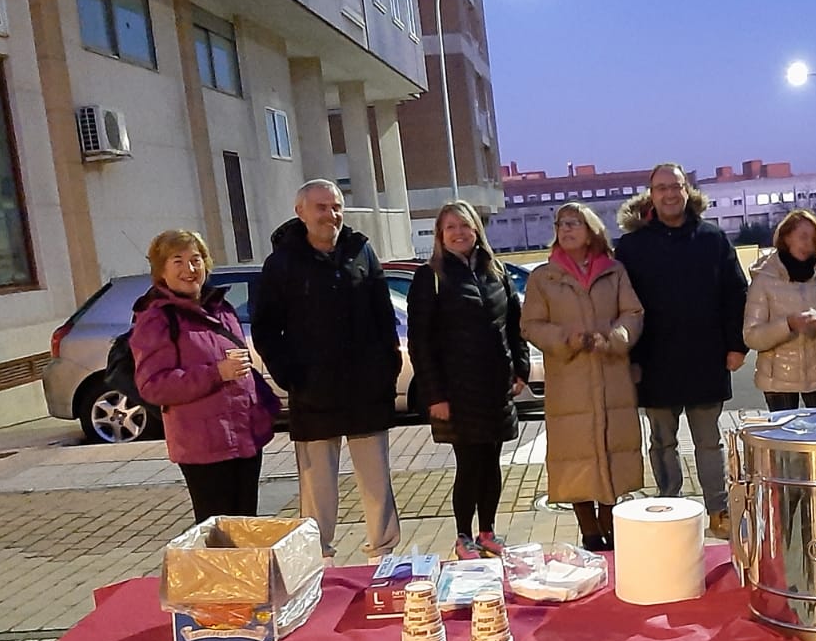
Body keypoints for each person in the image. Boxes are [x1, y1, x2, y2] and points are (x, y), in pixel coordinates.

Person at [252, 179, 401, 562]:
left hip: (365, 389)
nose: (330, 215)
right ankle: (318, 561)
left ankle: (382, 556)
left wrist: (388, 363)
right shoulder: (282, 263)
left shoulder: (360, 251)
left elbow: (384, 314)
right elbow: (266, 327)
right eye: (321, 207)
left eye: (336, 207)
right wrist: (289, 375)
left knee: (377, 483)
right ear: (300, 212)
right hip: (312, 392)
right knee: (318, 489)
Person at [616, 163, 748, 539]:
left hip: (707, 357)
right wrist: (631, 359)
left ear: (687, 190)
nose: (670, 194)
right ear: (650, 195)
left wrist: (736, 346)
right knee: (662, 442)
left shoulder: (712, 238)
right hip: (654, 362)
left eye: (676, 187)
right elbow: (621, 305)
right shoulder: (631, 246)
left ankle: (718, 510)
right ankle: (668, 506)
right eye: (661, 188)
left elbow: (735, 294)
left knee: (709, 442)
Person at [408, 201, 531, 559]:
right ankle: (463, 537)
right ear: (440, 235)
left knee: (492, 464)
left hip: (495, 389)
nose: (459, 233)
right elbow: (421, 342)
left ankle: (488, 531)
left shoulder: (497, 272)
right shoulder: (430, 276)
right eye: (450, 228)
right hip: (456, 392)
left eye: (465, 225)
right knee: (469, 465)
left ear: (476, 229)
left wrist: (519, 370)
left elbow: (513, 325)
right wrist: (435, 395)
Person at [521, 202, 645, 551]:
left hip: (611, 379)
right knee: (574, 457)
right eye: (562, 224)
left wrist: (615, 338)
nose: (567, 229)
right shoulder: (543, 277)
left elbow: (632, 313)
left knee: (612, 448)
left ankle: (611, 523)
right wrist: (566, 340)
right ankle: (589, 531)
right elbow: (530, 324)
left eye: (574, 223)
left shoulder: (614, 271)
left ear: (591, 230)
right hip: (569, 381)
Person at [130, 229, 275, 522]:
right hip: (203, 447)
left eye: (196, 260)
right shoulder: (158, 319)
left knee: (246, 528)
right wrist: (216, 373)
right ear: (161, 271)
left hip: (243, 440)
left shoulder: (221, 309)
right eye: (178, 261)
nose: (190, 269)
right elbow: (153, 386)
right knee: (217, 535)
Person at [743, 209, 816, 410]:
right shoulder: (764, 280)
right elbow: (751, 336)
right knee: (784, 439)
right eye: (803, 237)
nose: (809, 244)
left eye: (815, 238)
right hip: (777, 378)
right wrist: (787, 324)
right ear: (786, 238)